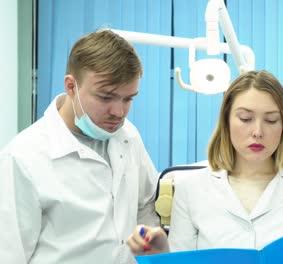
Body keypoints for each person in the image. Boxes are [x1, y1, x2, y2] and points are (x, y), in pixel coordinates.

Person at [0, 29, 167, 264]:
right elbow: (9, 254)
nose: (118, 112)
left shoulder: (127, 136)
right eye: (105, 97)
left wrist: (149, 238)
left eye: (128, 99)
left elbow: (146, 205)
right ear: (71, 86)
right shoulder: (22, 158)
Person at [128, 70, 283, 254]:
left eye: (271, 120)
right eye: (245, 118)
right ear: (226, 121)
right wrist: (160, 253)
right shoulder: (191, 189)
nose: (258, 132)